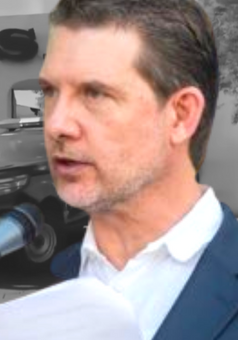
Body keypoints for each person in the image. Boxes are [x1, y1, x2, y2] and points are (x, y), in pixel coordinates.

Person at [40, 0, 237, 339]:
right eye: (49, 91)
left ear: (180, 115)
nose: (56, 124)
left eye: (95, 93)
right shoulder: (51, 283)